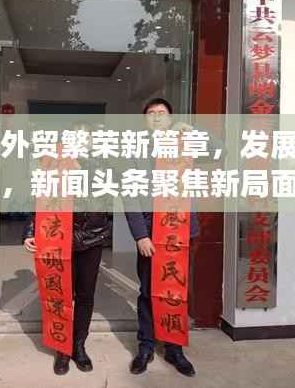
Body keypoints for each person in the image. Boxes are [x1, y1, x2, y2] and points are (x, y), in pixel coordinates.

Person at [23, 121, 113, 376]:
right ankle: (62, 349)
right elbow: (40, 199)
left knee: (85, 294)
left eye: (86, 138)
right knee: (60, 294)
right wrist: (30, 232)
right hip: (58, 237)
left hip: (92, 237)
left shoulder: (103, 164)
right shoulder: (52, 163)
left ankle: (79, 345)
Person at [124, 98, 199, 377]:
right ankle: (145, 346)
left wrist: (191, 131)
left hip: (180, 230)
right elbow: (130, 194)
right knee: (148, 290)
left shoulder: (185, 142)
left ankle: (174, 348)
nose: (156, 117)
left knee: (175, 289)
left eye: (162, 113)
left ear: (170, 118)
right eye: (151, 113)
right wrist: (140, 235)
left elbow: (220, 149)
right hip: (151, 231)